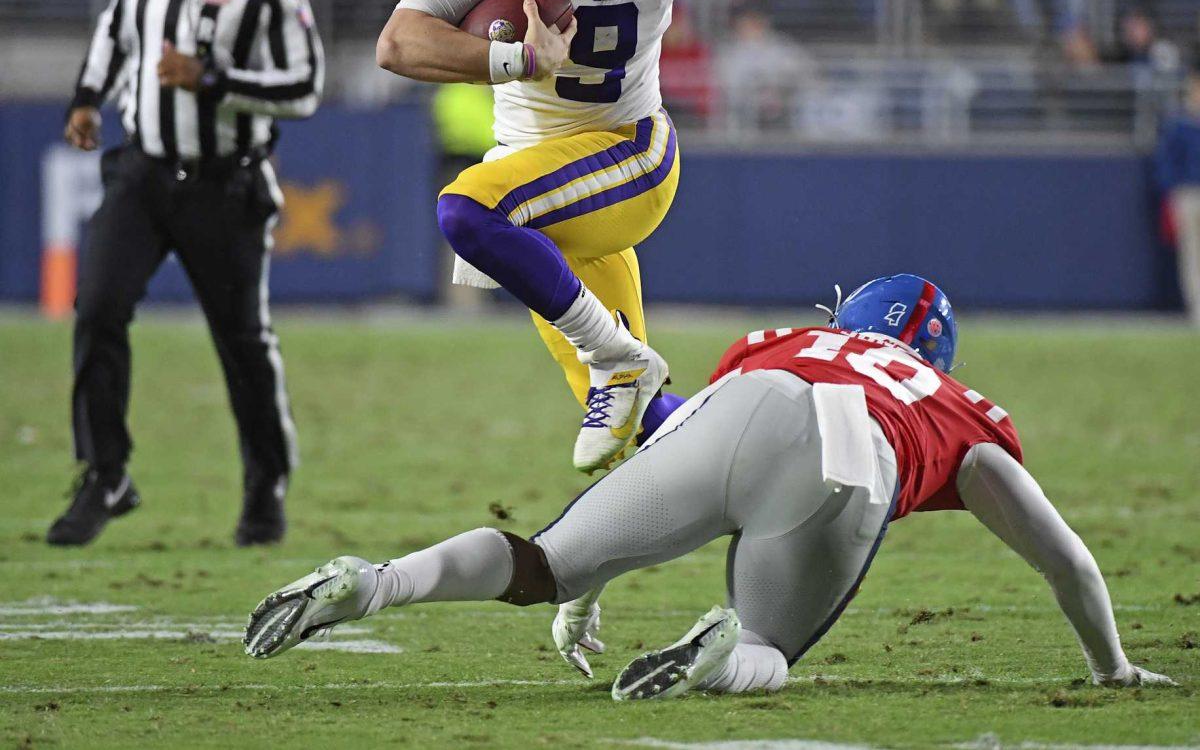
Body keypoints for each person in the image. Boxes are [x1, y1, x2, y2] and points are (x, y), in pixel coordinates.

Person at [376, 0, 979, 472]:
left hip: (629, 152)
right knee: (647, 429)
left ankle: (620, 360)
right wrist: (514, 58)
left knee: (467, 210)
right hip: (542, 183)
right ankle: (791, 463)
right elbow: (398, 44)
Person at [242, 274, 1174, 699]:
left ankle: (376, 581)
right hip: (850, 447)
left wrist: (588, 582)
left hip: (744, 396)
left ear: (846, 316)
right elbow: (1066, 560)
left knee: (542, 563)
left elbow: (688, 436)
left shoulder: (784, 338)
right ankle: (724, 647)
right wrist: (1110, 666)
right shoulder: (960, 408)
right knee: (770, 642)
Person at [49, 0, 325, 548]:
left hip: (225, 185)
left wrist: (213, 80)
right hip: (142, 173)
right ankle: (105, 474)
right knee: (98, 308)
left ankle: (265, 484)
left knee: (242, 344)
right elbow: (113, 39)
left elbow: (303, 88)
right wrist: (86, 99)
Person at [1155, 63, 1200, 324]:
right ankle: (1197, 309)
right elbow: (1166, 164)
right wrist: (1172, 193)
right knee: (1191, 253)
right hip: (1187, 195)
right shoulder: (1180, 124)